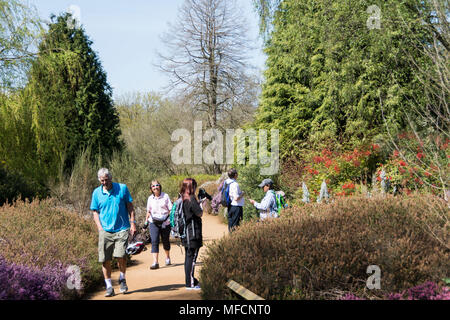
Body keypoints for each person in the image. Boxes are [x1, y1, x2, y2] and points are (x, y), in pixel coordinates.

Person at [90, 168, 136, 297]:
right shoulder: (96, 193)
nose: (105, 182)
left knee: (121, 255)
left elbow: (130, 206)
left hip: (122, 228)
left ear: (111, 178)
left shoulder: (122, 188)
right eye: (102, 180)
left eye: (107, 180)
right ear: (99, 180)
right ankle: (109, 286)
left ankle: (122, 278)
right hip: (105, 230)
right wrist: (100, 228)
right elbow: (95, 212)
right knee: (105, 259)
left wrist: (133, 223)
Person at [180, 178, 204, 290]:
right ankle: (189, 283)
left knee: (188, 258)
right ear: (191, 187)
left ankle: (190, 281)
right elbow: (199, 213)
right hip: (193, 233)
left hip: (186, 233)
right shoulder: (191, 199)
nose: (195, 188)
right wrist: (201, 204)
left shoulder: (182, 198)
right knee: (192, 259)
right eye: (194, 186)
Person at [145, 180, 172, 270]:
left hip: (165, 222)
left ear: (160, 186)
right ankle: (155, 262)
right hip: (153, 222)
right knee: (154, 241)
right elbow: (148, 211)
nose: (155, 187)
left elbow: (171, 209)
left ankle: (167, 257)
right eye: (153, 186)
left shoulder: (165, 196)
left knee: (165, 241)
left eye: (157, 185)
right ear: (151, 189)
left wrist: (171, 220)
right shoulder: (150, 198)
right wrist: (146, 222)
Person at [225, 168, 244, 232]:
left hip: (230, 206)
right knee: (235, 226)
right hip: (236, 206)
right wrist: (242, 194)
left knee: (230, 224)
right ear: (235, 175)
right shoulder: (235, 184)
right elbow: (236, 198)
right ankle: (234, 240)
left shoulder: (227, 182)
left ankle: (230, 240)